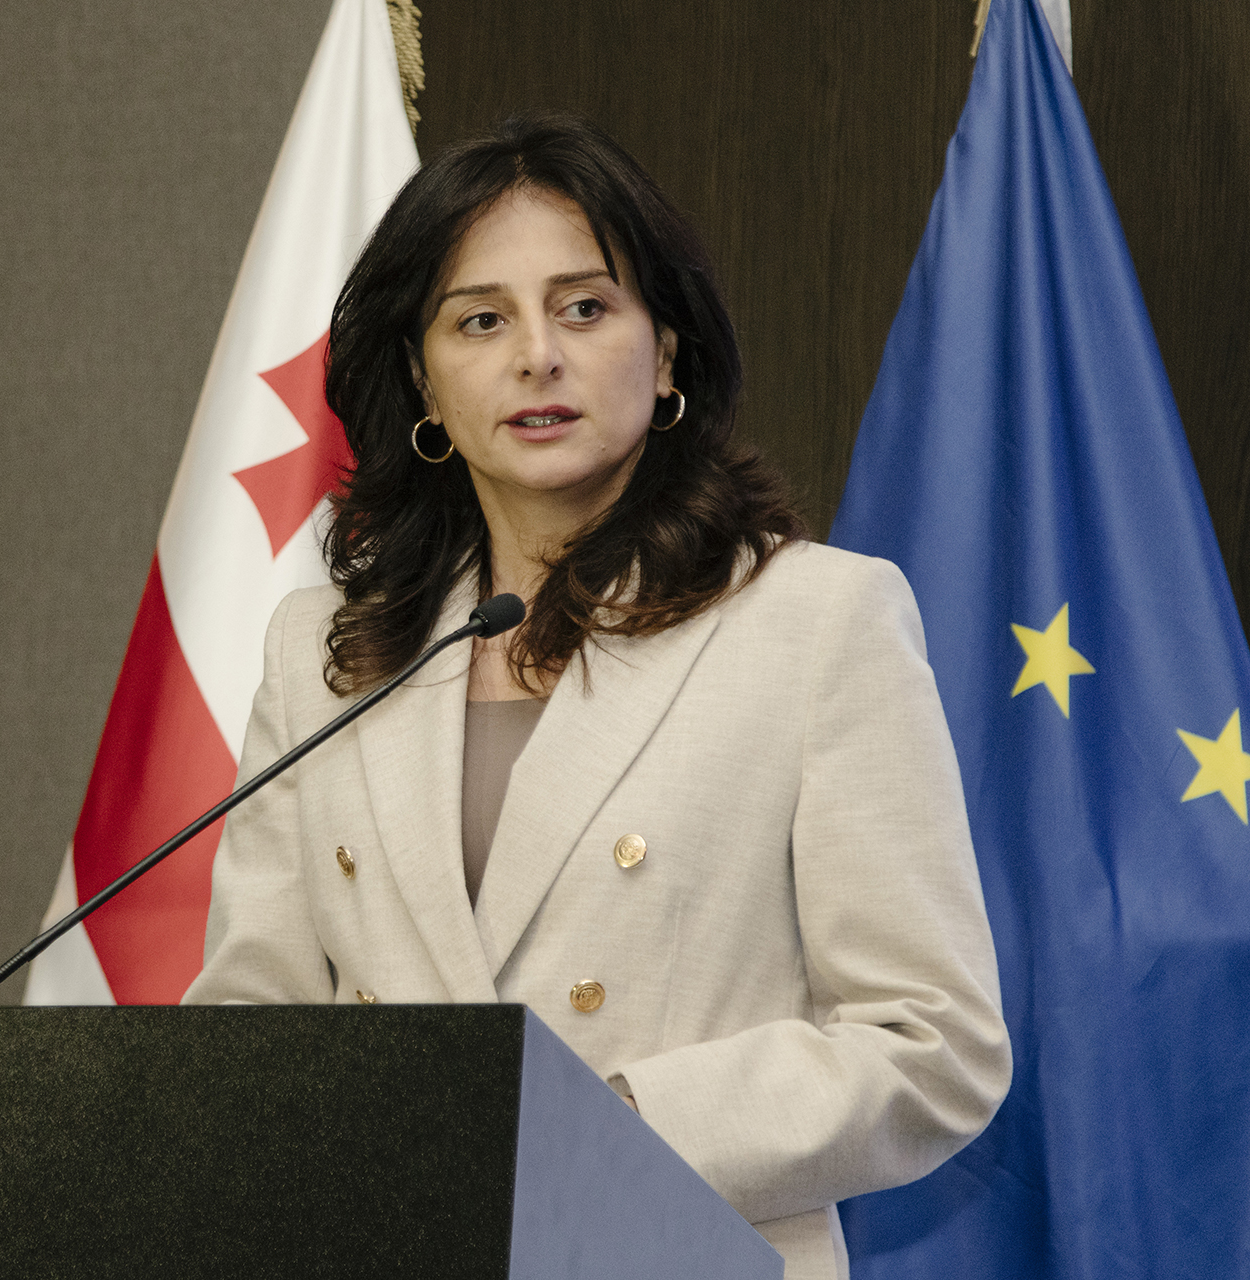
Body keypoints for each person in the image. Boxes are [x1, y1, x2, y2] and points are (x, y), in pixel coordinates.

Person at [180, 114, 1010, 1280]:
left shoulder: (816, 621)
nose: (537, 355)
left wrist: (603, 1128)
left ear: (666, 353)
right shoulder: (326, 652)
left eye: (583, 307)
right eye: (480, 320)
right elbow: (250, 1032)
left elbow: (933, 1042)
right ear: (422, 380)